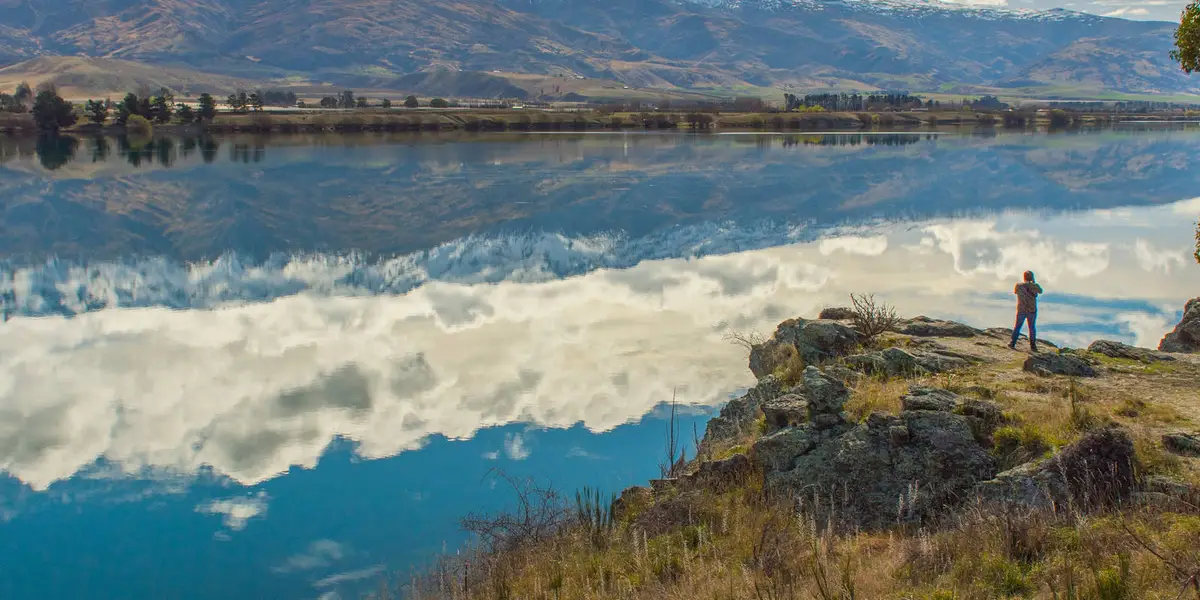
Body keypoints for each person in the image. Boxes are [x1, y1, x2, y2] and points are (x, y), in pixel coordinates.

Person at [1009, 271, 1043, 352]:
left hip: (1021, 309)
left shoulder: (1018, 285)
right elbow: (1040, 291)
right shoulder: (1035, 286)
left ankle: (1012, 343)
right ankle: (1033, 346)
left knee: (1017, 326)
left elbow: (1015, 292)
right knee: (1031, 328)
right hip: (1032, 310)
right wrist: (1033, 283)